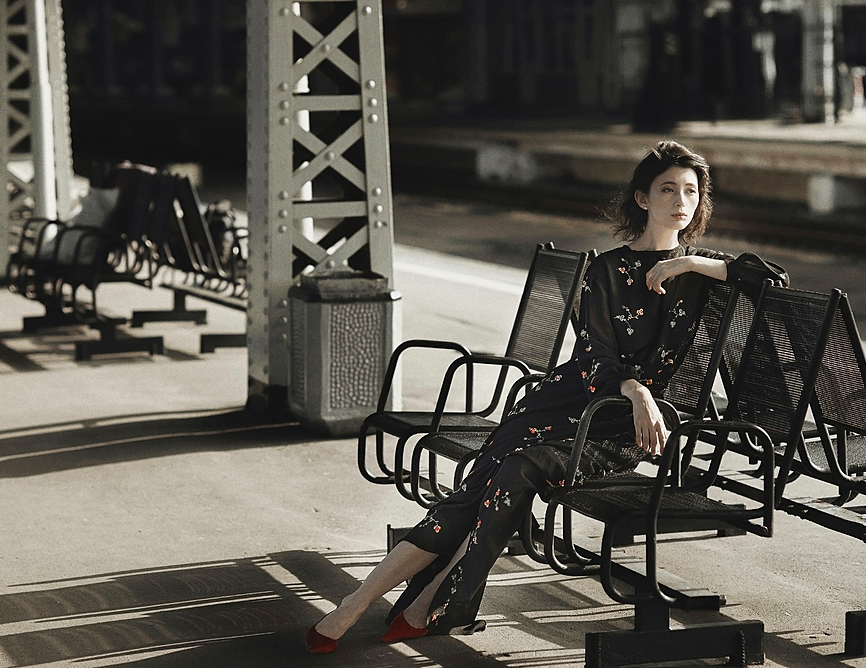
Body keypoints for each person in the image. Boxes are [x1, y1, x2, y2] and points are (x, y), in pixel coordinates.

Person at [306, 140, 745, 653]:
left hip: (615, 429)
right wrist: (635, 390)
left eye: (691, 191)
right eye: (667, 188)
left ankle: (399, 602)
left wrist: (691, 267)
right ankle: (374, 602)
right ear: (643, 198)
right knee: (483, 489)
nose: (681, 200)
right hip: (565, 405)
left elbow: (770, 281)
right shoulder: (606, 270)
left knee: (510, 474)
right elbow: (595, 354)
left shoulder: (705, 274)